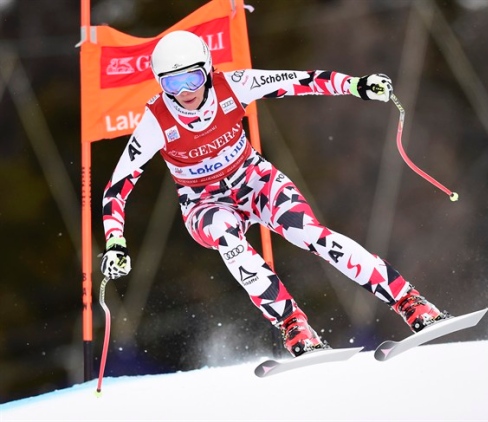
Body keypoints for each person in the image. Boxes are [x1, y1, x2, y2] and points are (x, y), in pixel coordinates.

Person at [101, 30, 450, 357]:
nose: (185, 92)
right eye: (172, 83)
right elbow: (117, 187)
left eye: (191, 78)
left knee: (314, 236)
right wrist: (115, 240)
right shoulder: (155, 121)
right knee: (229, 241)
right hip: (204, 202)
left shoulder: (234, 85)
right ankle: (293, 325)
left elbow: (301, 81)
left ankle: (409, 301)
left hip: (254, 181)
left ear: (207, 69)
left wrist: (357, 85)